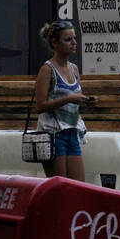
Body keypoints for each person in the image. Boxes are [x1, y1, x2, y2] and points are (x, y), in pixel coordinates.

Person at [34, 20, 97, 181]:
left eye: (74, 38)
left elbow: (73, 103)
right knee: (60, 188)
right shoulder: (47, 70)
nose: (74, 43)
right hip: (53, 134)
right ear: (55, 43)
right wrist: (69, 98)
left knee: (78, 187)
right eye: (68, 39)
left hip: (72, 132)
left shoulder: (74, 69)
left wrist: (85, 101)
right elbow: (40, 106)